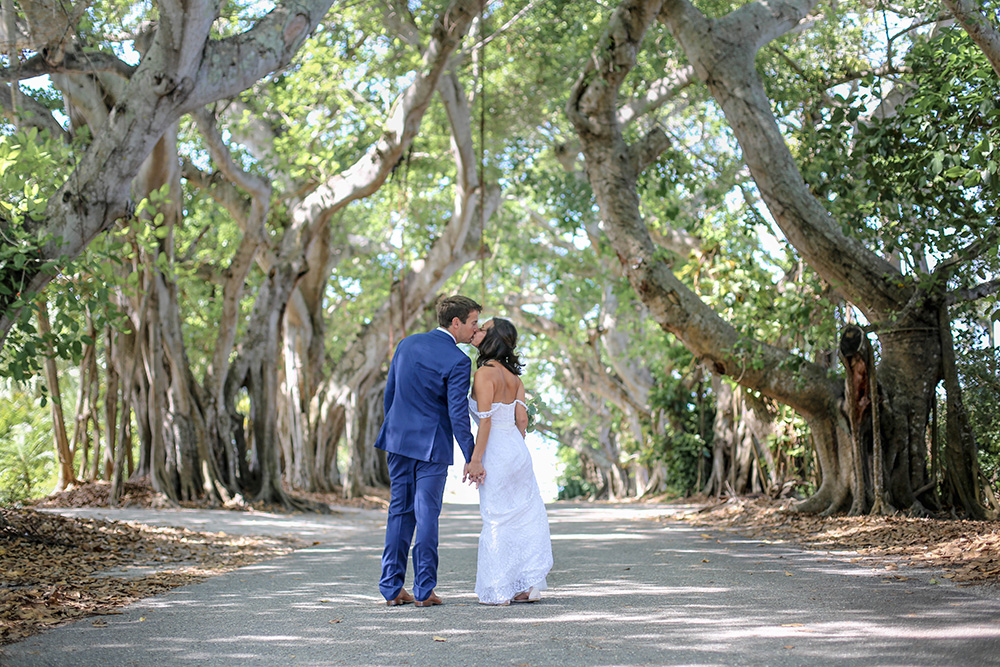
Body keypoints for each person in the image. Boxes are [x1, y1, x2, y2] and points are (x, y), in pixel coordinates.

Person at [375, 295, 485, 608]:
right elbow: (457, 415)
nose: (474, 329)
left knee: (399, 512)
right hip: (432, 445)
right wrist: (472, 455)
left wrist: (394, 428)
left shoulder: (406, 344)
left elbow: (390, 393)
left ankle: (392, 588)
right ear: (456, 322)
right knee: (426, 516)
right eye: (473, 322)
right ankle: (424, 591)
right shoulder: (459, 360)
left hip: (397, 440)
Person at [468, 318, 553, 605]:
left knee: (496, 519)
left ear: (492, 338)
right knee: (522, 517)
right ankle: (524, 586)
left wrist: (476, 460)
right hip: (517, 450)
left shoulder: (484, 375)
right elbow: (522, 420)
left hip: (495, 450)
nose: (476, 331)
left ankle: (499, 589)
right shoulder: (515, 379)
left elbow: (485, 422)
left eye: (482, 328)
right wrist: (515, 448)